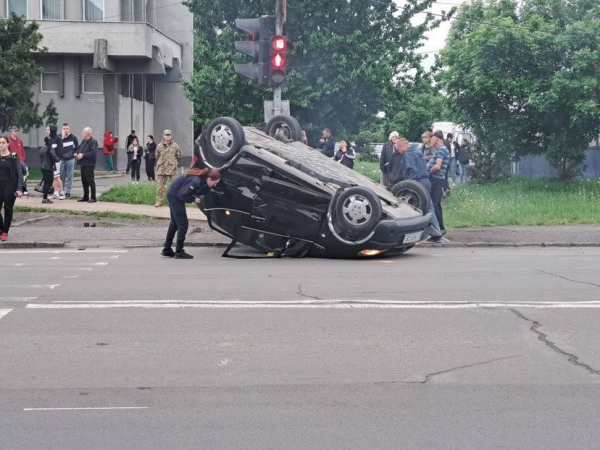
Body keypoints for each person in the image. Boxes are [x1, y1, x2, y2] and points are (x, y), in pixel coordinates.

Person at [162, 167, 221, 259]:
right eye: (215, 183)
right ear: (209, 179)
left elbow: (203, 191)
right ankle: (179, 251)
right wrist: (193, 199)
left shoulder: (202, 180)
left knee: (174, 224)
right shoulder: (196, 181)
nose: (215, 185)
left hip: (173, 194)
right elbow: (182, 195)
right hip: (175, 196)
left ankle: (167, 249)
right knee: (183, 224)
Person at [392, 138, 443, 242]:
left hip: (418, 182)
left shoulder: (408, 154)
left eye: (398, 149)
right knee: (429, 207)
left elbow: (411, 169)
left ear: (402, 146)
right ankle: (435, 231)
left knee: (421, 207)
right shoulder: (417, 151)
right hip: (426, 181)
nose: (399, 152)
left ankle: (434, 232)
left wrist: (407, 185)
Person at [0, 135, 24, 241]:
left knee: (8, 208)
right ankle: (1, 228)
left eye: (3, 142)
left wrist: (19, 188)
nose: (1, 145)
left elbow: (19, 173)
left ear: (8, 144)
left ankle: (5, 232)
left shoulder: (13, 156)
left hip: (10, 186)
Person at [428, 130, 450, 234]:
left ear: (437, 139)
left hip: (436, 180)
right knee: (437, 204)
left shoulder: (441, 150)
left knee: (433, 204)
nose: (431, 140)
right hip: (438, 180)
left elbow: (437, 166)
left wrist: (427, 172)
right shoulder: (441, 149)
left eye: (432, 138)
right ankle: (441, 227)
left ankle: (438, 230)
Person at [155, 129, 182, 207]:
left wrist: (174, 162)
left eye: (169, 135)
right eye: (166, 135)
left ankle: (175, 202)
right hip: (162, 168)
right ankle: (159, 201)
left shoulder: (175, 145)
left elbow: (179, 156)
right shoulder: (159, 145)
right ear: (163, 136)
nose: (168, 136)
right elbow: (156, 156)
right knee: (160, 187)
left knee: (175, 186)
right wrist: (161, 163)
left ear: (171, 136)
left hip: (172, 169)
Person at [75, 127, 98, 203]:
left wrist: (83, 155)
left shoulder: (93, 142)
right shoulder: (83, 141)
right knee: (84, 181)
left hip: (89, 164)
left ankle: (93, 197)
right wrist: (77, 153)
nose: (82, 133)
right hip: (83, 163)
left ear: (88, 133)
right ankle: (85, 197)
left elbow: (93, 153)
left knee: (90, 180)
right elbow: (79, 149)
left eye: (83, 132)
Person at [40, 126, 60, 204]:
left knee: (46, 182)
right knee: (48, 183)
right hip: (48, 167)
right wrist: (58, 157)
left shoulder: (42, 148)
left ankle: (44, 197)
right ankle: (45, 198)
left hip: (43, 167)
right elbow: (56, 159)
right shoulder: (50, 149)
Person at [46, 125, 65, 200]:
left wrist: (57, 159)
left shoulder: (58, 139)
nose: (47, 131)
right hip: (50, 161)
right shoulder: (48, 139)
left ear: (52, 130)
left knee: (57, 177)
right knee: (53, 177)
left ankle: (62, 193)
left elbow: (60, 151)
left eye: (48, 130)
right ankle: (55, 193)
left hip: (56, 161)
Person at [60, 123, 78, 198]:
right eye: (64, 129)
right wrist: (62, 137)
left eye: (67, 128)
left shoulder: (73, 137)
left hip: (70, 158)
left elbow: (76, 147)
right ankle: (61, 191)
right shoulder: (59, 137)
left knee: (69, 176)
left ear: (69, 129)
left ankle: (68, 192)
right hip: (62, 159)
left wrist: (75, 153)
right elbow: (58, 147)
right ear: (62, 129)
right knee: (61, 176)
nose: (66, 130)